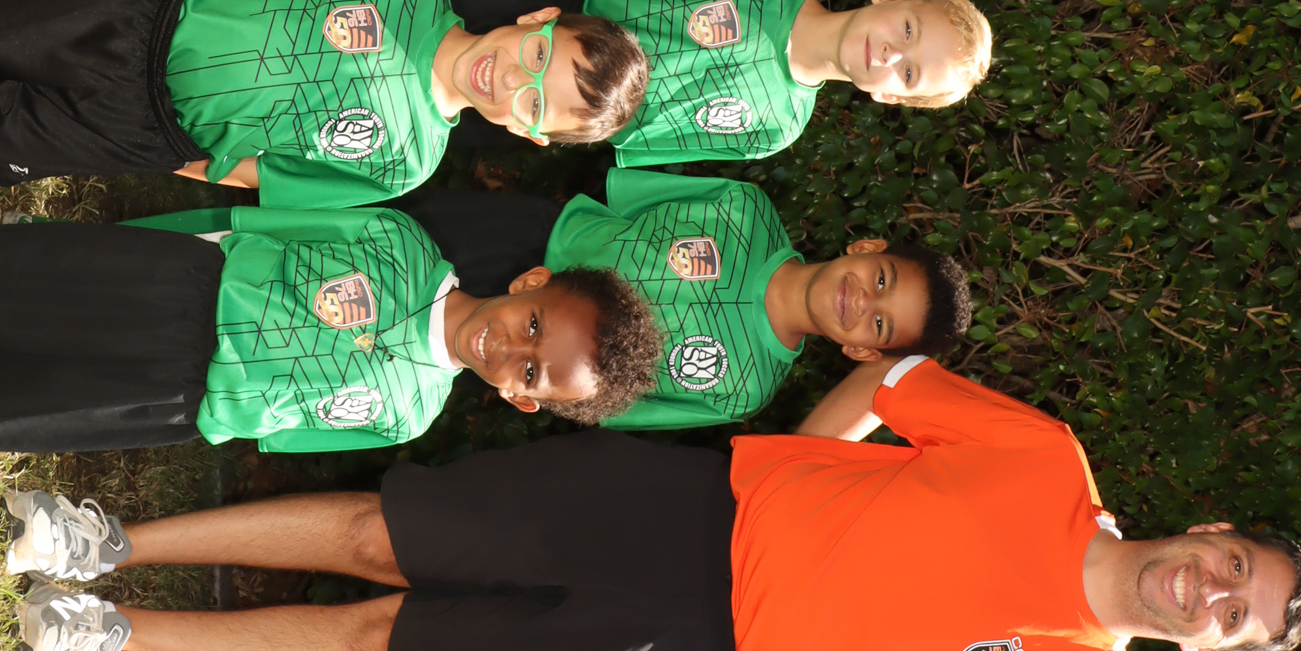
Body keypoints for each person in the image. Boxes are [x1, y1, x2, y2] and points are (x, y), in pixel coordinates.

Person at [0, 354, 1301, 651]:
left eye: (1234, 615)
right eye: (1234, 566)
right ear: (1212, 531)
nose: (1211, 591)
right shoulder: (1047, 461)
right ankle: (104, 539)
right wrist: (805, 468)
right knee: (380, 533)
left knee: (379, 650)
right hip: (684, 511)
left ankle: (104, 630)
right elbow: (894, 384)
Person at [0, 203, 660, 456]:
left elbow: (284, 434)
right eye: (533, 324)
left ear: (522, 399)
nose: (511, 348)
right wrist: (129, 243)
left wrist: (216, 412)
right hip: (174, 292)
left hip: (176, 400)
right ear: (530, 284)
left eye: (530, 371)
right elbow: (245, 224)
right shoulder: (398, 241)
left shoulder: (410, 416)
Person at [0, 0, 648, 194]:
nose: (512, 80)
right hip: (146, 23)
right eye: (538, 57)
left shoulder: (410, 162)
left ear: (529, 134)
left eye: (534, 103)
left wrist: (164, 154)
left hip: (151, 130)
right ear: (538, 19)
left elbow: (263, 177)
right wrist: (221, 11)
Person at [395, 164, 969, 429]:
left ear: (863, 352)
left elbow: (608, 406)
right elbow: (625, 194)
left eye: (879, 325)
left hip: (505, 348)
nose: (864, 302)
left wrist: (529, 374)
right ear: (867, 248)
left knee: (383, 348)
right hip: (522, 243)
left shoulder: (743, 390)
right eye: (883, 280)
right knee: (382, 245)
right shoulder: (744, 208)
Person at [426, 0, 991, 166]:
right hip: (547, 12)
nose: (891, 53)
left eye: (909, 72)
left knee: (417, 109)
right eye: (909, 29)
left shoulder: (777, 128)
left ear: (890, 98)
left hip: (538, 113)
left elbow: (635, 141)